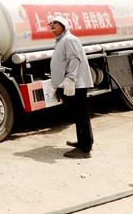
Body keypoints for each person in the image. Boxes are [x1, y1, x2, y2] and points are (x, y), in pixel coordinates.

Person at [49, 15, 94, 158]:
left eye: (55, 22)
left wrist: (70, 78)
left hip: (76, 84)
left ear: (64, 25)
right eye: (50, 23)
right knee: (77, 114)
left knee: (81, 114)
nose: (51, 24)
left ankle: (85, 149)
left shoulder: (70, 39)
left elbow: (75, 59)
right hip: (71, 83)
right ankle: (83, 142)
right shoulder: (61, 40)